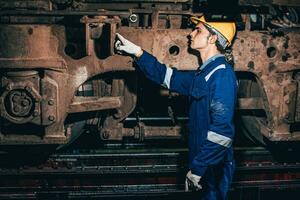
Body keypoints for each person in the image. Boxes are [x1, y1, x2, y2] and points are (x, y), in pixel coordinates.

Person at [115, 15, 237, 200]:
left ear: (212, 39)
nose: (191, 33)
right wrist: (138, 53)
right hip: (203, 160)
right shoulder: (205, 73)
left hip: (213, 165)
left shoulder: (221, 75)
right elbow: (167, 77)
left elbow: (223, 132)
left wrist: (198, 169)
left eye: (198, 30)